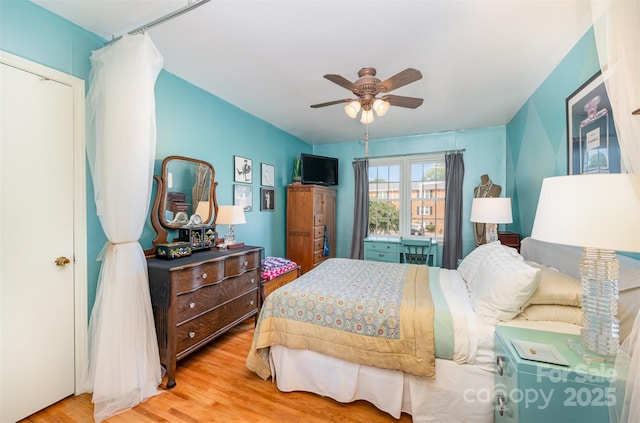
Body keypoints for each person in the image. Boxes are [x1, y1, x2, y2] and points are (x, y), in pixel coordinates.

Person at [473, 174, 502, 245]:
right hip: (478, 221)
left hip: (490, 221)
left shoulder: (497, 188)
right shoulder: (476, 190)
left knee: (490, 245)